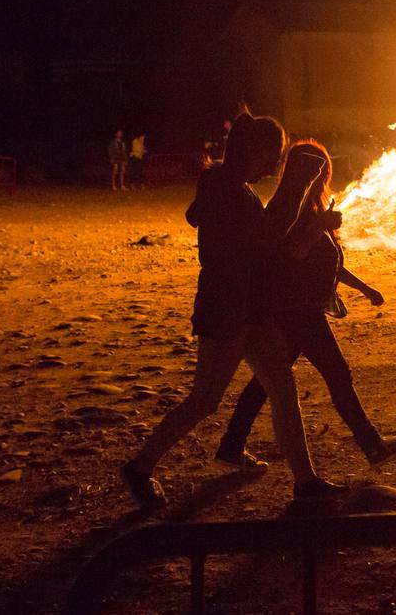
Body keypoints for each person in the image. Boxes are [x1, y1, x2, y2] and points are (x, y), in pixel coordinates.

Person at [120, 111, 347, 508]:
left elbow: (252, 234)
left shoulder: (227, 186)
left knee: (282, 388)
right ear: (253, 151)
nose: (274, 164)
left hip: (244, 305)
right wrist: (297, 189)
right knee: (205, 399)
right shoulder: (230, 191)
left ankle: (306, 482)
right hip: (229, 308)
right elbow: (268, 240)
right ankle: (140, 467)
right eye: (272, 155)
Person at [215, 140, 396, 472]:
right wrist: (319, 226)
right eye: (314, 167)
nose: (319, 174)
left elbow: (326, 261)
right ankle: (373, 446)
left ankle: (231, 446)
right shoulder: (289, 208)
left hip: (299, 308)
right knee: (337, 375)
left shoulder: (308, 206)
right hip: (296, 309)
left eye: (322, 167)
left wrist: (364, 288)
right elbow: (291, 256)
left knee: (266, 382)